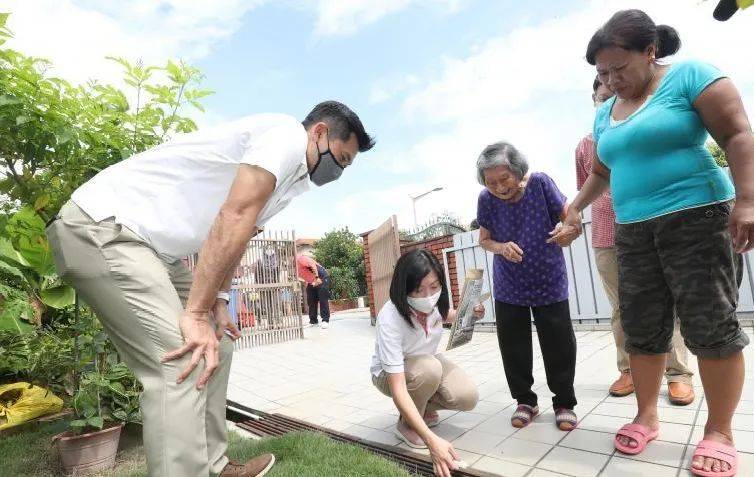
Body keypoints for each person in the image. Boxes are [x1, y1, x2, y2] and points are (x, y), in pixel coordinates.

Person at [46, 101, 375, 477]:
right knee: (181, 359)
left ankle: (215, 467)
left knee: (220, 341)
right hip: (101, 228)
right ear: (318, 133)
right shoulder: (284, 136)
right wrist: (195, 312)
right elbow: (233, 214)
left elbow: (239, 233)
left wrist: (217, 302)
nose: (339, 171)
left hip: (152, 250)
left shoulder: (292, 181)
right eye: (342, 158)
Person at [551, 10, 754, 476]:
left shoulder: (690, 76)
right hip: (634, 230)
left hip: (697, 218)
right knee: (642, 327)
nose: (612, 80)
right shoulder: (606, 112)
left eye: (619, 68)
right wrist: (575, 208)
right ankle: (645, 416)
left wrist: (749, 201)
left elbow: (736, 133)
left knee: (709, 325)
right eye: (602, 73)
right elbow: (602, 171)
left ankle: (720, 432)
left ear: (650, 52)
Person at [576, 77, 695, 404]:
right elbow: (587, 187)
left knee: (664, 303)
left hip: (648, 226)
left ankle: (678, 373)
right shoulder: (585, 146)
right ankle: (628, 370)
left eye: (614, 95)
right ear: (595, 102)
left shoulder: (647, 130)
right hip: (606, 234)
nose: (609, 102)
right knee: (621, 308)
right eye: (602, 98)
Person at [475, 142, 579, 432]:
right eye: (490, 182)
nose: (498, 187)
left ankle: (564, 402)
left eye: (504, 178)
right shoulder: (486, 199)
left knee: (558, 342)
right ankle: (525, 401)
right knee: (513, 345)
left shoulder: (541, 184)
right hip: (510, 284)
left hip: (548, 278)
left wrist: (567, 230)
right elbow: (484, 239)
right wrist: (501, 247)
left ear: (518, 171)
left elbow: (571, 216)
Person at [371, 249, 483, 477]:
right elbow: (399, 388)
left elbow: (447, 315)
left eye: (433, 287)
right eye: (418, 290)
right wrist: (432, 441)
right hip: (390, 373)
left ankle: (422, 409)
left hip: (426, 363)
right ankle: (407, 424)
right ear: (404, 289)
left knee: (467, 396)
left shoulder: (434, 307)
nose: (428, 296)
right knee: (429, 369)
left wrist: (471, 313)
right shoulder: (390, 319)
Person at [295, 254, 332, 328]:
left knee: (322, 298)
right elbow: (305, 274)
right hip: (311, 281)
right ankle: (313, 321)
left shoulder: (300, 258)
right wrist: (308, 283)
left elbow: (312, 265)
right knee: (311, 299)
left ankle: (325, 320)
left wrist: (317, 277)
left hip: (321, 277)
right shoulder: (293, 267)